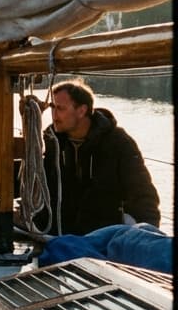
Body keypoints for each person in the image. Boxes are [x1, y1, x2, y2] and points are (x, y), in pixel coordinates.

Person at [42, 80, 160, 234]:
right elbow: (41, 186)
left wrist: (148, 235)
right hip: (60, 234)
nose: (54, 115)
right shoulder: (53, 141)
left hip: (104, 235)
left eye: (60, 108)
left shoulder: (117, 142)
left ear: (81, 110)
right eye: (52, 108)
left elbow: (142, 193)